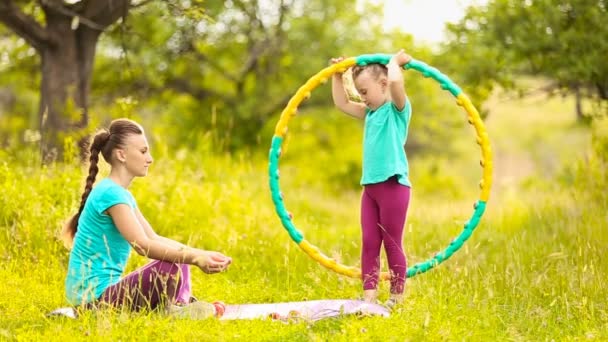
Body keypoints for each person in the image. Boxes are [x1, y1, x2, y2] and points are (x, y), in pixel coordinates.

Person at [62, 118, 232, 318]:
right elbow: (142, 245)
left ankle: (177, 307)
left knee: (179, 257)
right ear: (121, 155)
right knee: (169, 264)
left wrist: (200, 253)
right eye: (143, 152)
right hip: (91, 304)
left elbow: (153, 237)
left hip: (104, 298)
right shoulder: (110, 194)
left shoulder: (120, 194)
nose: (150, 158)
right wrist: (195, 257)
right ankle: (174, 311)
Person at [330, 50, 413, 307]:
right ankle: (369, 297)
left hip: (393, 185)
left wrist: (393, 63)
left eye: (365, 92)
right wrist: (337, 75)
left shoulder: (397, 110)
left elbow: (397, 83)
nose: (362, 98)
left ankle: (396, 296)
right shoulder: (370, 114)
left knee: (391, 241)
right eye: (360, 93)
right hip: (371, 189)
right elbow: (342, 104)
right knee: (369, 241)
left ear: (383, 84)